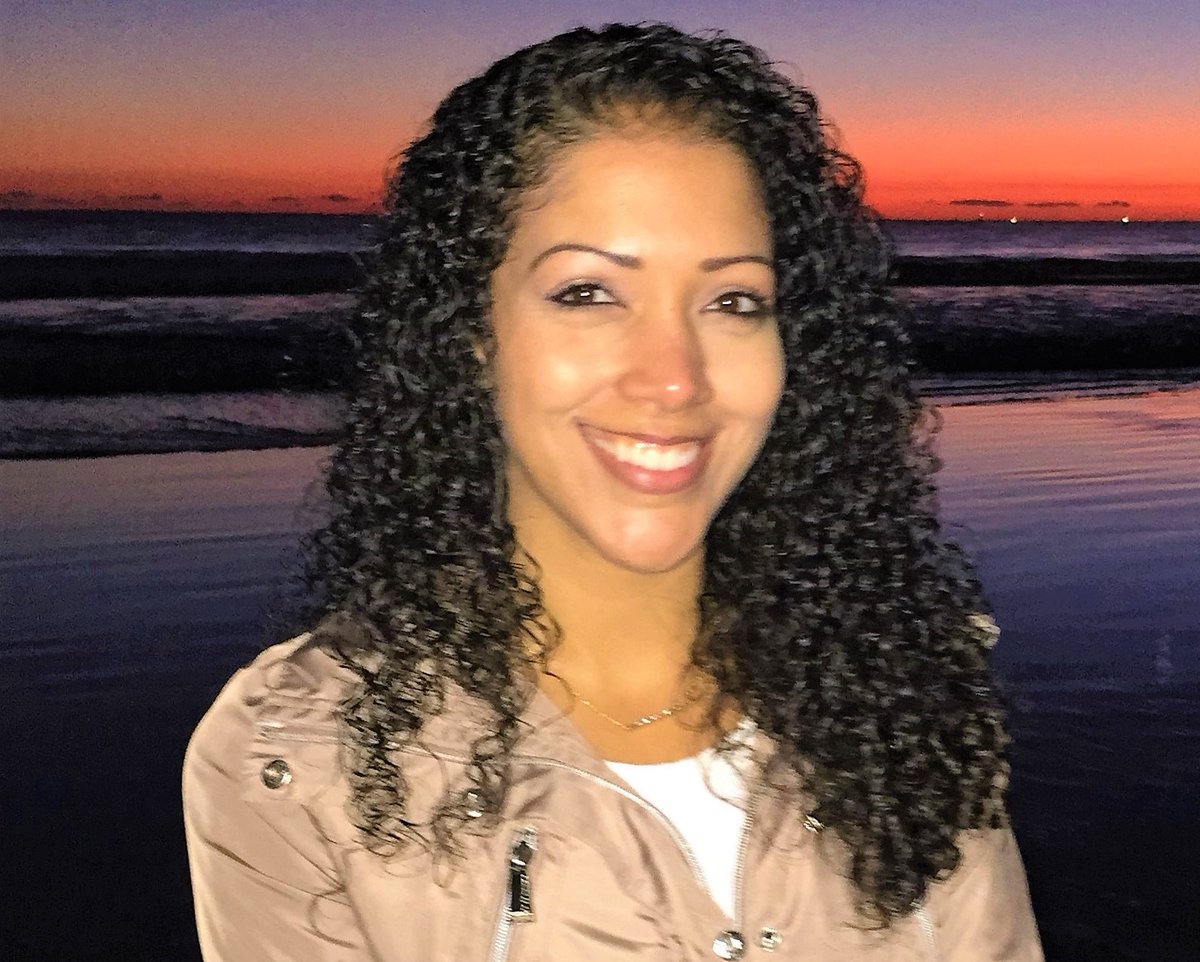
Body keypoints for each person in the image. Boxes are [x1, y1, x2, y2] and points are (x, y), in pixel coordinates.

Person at [183, 21, 1042, 961]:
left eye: (733, 301)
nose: (673, 378)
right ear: (471, 334)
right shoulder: (301, 758)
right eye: (588, 293)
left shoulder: (897, 696)